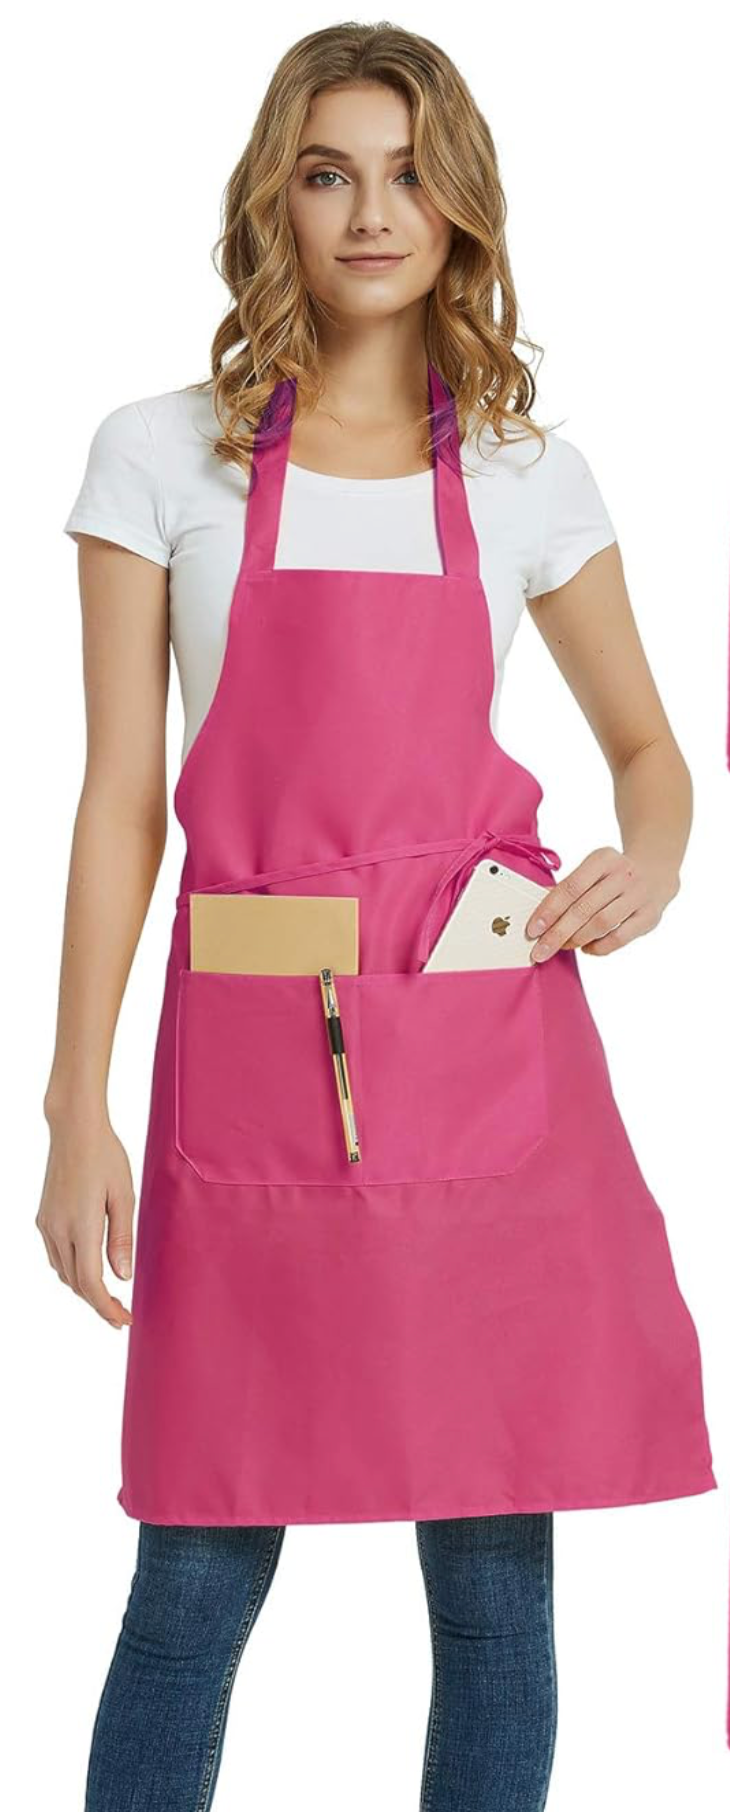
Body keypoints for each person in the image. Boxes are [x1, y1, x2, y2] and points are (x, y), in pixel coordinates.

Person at [39, 23, 715, 1812]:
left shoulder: (520, 466)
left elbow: (649, 751)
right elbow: (118, 805)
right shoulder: (160, 455)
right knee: (194, 1576)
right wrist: (72, 1103)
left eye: (409, 174)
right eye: (329, 171)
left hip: (481, 1045)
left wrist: (650, 860)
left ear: (460, 204)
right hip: (252, 1054)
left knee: (492, 1583)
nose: (371, 212)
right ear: (276, 196)